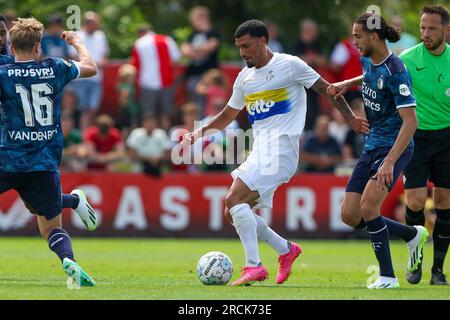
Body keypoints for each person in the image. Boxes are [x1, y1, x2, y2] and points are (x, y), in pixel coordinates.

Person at [181, 20, 369, 286]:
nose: (242, 52)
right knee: (233, 210)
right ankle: (285, 249)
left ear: (262, 41)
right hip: (260, 150)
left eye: (246, 46)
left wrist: (350, 118)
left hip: (283, 150)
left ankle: (254, 266)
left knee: (234, 200)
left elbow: (329, 90)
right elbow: (227, 115)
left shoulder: (290, 65)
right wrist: (200, 131)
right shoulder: (244, 78)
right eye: (238, 48)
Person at [328, 13, 429, 289]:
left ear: (374, 36)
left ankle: (387, 277)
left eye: (358, 36)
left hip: (394, 148)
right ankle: (411, 235)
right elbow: (370, 75)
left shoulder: (397, 70)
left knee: (369, 206)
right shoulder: (367, 59)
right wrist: (348, 83)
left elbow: (411, 122)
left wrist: (389, 162)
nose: (354, 41)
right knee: (350, 215)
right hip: (371, 145)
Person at [0, 18, 97, 286]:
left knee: (46, 220)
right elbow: (91, 67)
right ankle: (70, 260)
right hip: (44, 161)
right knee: (52, 228)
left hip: (8, 160)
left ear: (12, 44)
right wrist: (77, 43)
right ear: (38, 47)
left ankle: (75, 202)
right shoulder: (54, 68)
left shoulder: (3, 73)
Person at [399, 5, 450, 285]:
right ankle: (415, 260)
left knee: (444, 203)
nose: (425, 33)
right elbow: (380, 78)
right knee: (416, 201)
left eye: (432, 28)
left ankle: (438, 271)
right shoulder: (407, 58)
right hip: (417, 137)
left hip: (447, 138)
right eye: (422, 28)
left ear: (446, 30)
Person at [130, 23, 181, 122]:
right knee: (166, 114)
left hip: (147, 84)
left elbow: (135, 66)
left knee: (148, 115)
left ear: (140, 33)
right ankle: (166, 135)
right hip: (166, 82)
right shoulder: (167, 39)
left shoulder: (139, 43)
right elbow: (176, 60)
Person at [70, 11, 109, 132]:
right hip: (81, 78)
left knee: (92, 109)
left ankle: (88, 135)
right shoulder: (77, 35)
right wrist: (93, 64)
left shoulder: (101, 36)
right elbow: (73, 56)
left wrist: (96, 63)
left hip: (96, 79)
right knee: (84, 109)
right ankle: (84, 136)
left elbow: (105, 56)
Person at [181, 6, 220, 112]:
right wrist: (200, 50)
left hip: (209, 75)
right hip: (193, 74)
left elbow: (210, 47)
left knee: (209, 104)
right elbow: (185, 51)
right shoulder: (192, 34)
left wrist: (194, 49)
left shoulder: (213, 33)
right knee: (194, 105)